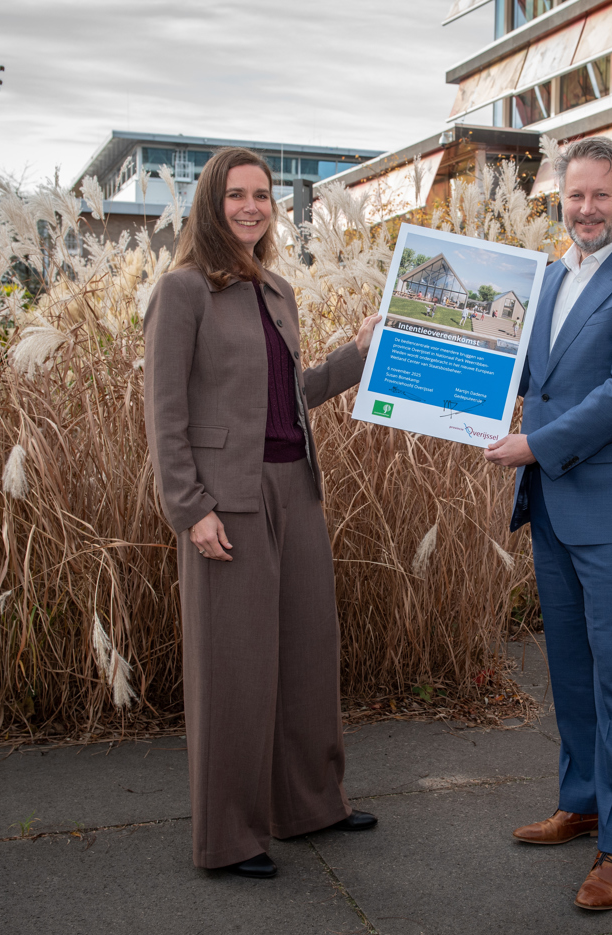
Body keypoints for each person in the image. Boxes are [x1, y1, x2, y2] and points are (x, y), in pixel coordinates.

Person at [143, 147, 382, 880]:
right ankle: (228, 837)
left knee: (309, 651)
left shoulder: (276, 289)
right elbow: (165, 412)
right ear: (211, 204)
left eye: (262, 195)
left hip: (295, 487)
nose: (251, 206)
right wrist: (191, 508)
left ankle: (311, 803)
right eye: (236, 194)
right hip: (228, 499)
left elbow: (286, 395)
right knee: (235, 668)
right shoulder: (182, 291)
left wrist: (356, 354)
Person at [484, 136, 612, 911]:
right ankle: (582, 801)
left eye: (601, 194)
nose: (587, 208)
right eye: (575, 195)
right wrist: (407, 341)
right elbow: (517, 368)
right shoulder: (545, 277)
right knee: (569, 665)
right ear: (560, 200)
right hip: (553, 501)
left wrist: (534, 444)